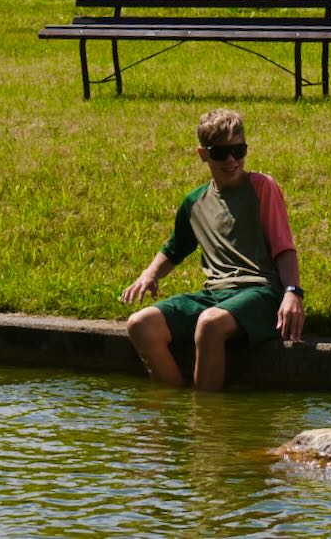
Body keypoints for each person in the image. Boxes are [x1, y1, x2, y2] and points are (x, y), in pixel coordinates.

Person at [121, 109, 305, 391]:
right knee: (140, 324)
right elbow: (175, 248)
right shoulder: (194, 202)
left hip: (261, 292)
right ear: (203, 154)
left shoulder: (261, 187)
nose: (232, 160)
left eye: (238, 150)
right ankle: (171, 408)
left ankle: (206, 421)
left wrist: (292, 292)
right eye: (221, 153)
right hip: (215, 295)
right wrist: (149, 275)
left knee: (209, 324)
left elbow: (284, 247)